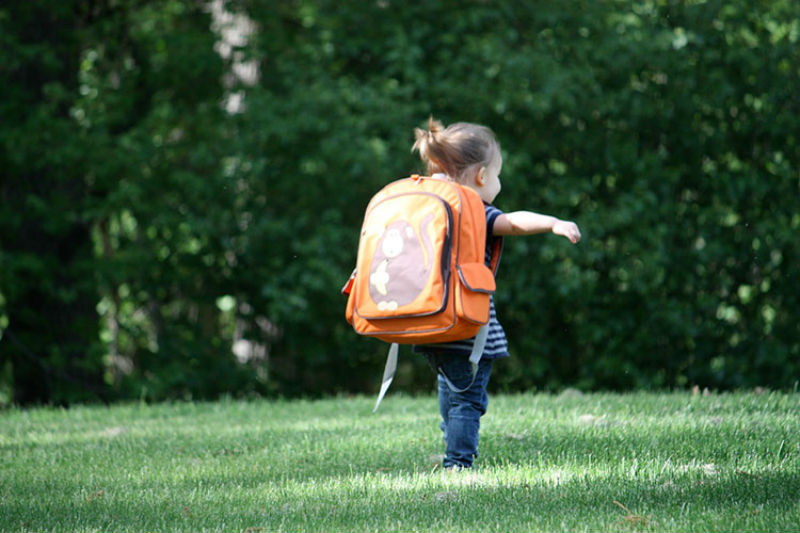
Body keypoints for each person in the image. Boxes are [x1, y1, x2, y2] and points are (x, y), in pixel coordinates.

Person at [411, 117, 581, 470]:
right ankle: (457, 463)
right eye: (498, 174)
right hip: (469, 329)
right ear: (482, 177)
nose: (499, 183)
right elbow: (514, 221)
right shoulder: (476, 213)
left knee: (450, 391)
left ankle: (451, 449)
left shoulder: (428, 208)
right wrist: (551, 223)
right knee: (468, 401)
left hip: (430, 323)